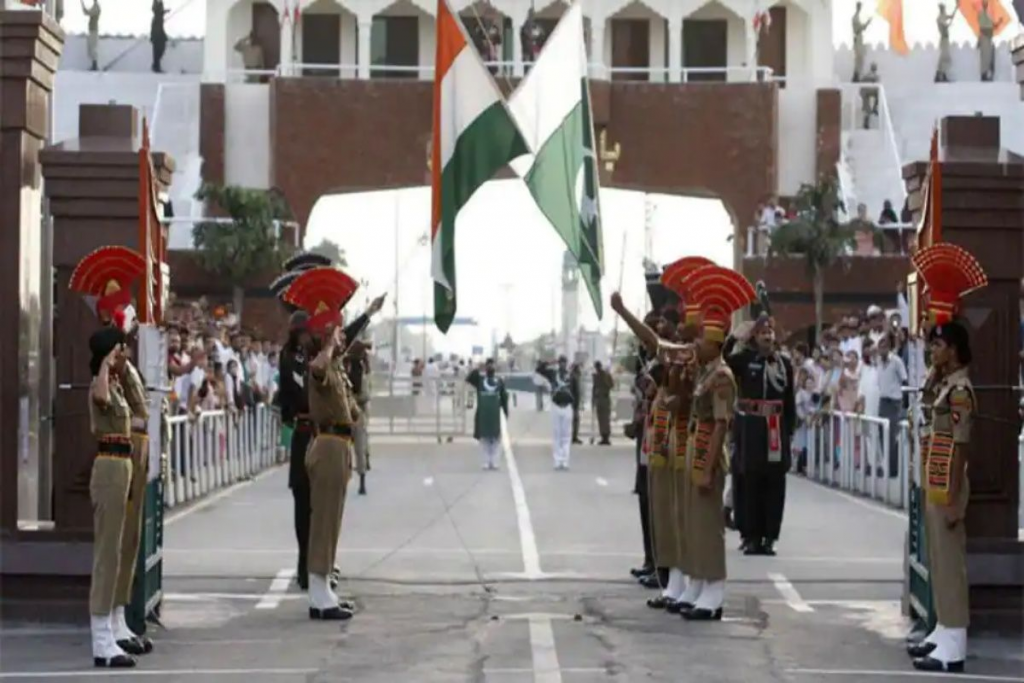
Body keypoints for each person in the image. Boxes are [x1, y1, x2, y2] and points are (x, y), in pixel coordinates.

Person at [906, 243, 987, 673]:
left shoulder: (959, 391)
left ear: (953, 349)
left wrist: (954, 495)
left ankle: (954, 641)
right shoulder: (942, 382)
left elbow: (960, 445)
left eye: (937, 345)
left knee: (950, 563)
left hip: (948, 481)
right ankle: (941, 631)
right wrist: (931, 372)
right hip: (935, 477)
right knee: (937, 557)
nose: (931, 351)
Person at [283, 267, 361, 621]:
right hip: (327, 445)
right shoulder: (321, 364)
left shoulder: (338, 367)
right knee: (323, 520)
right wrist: (328, 344)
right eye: (338, 331)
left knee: (332, 520)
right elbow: (316, 369)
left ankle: (324, 585)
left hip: (339, 445)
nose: (343, 338)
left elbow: (353, 411)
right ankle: (317, 593)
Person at [677, 265, 750, 621]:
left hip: (709, 452)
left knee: (709, 526)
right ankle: (699, 581)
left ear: (716, 343)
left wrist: (706, 468)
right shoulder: (704, 371)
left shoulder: (721, 377)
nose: (695, 344)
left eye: (701, 340)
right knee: (695, 524)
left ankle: (714, 589)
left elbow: (721, 423)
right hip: (696, 447)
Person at [726, 313, 795, 557]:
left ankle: (769, 537)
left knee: (775, 484)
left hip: (776, 428)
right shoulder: (744, 360)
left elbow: (790, 402)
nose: (767, 336)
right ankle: (750, 535)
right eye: (762, 332)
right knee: (749, 482)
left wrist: (789, 433)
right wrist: (734, 337)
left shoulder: (784, 364)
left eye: (770, 332)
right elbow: (722, 361)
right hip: (751, 428)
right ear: (755, 337)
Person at [466, 358, 509, 470]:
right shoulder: (480, 380)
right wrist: (478, 368)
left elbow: (504, 397)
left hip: (495, 414)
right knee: (484, 439)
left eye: (492, 365)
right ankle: (486, 461)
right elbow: (469, 378)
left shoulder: (499, 381)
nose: (490, 368)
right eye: (488, 366)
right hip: (483, 413)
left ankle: (494, 461)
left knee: (495, 438)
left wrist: (505, 411)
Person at [877, 332, 908, 477]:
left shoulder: (896, 361)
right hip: (883, 401)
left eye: (884, 346)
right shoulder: (878, 361)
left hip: (894, 401)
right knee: (882, 435)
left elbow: (904, 380)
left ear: (889, 347)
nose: (881, 349)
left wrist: (903, 403)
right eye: (880, 346)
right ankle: (887, 466)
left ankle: (894, 469)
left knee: (892, 437)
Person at [538, 357, 575, 470]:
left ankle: (565, 461)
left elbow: (576, 390)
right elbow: (539, 370)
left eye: (564, 362)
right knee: (557, 435)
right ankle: (557, 460)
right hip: (556, 406)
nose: (563, 364)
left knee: (566, 436)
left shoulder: (570, 375)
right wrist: (548, 362)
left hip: (567, 406)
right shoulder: (553, 374)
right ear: (558, 363)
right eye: (561, 362)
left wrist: (576, 406)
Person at [592, 361, 614, 445]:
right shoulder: (596, 376)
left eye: (598, 367)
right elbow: (594, 388)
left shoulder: (606, 375)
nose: (597, 369)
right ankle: (603, 436)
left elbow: (611, 385)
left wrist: (604, 378)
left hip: (605, 398)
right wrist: (593, 400)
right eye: (596, 367)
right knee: (600, 419)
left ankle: (606, 437)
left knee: (606, 418)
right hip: (599, 399)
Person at [851, 1, 871, 82]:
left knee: (860, 58)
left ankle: (858, 75)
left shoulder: (857, 17)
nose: (860, 8)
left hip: (859, 38)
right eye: (859, 7)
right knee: (858, 58)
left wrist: (867, 23)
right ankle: (856, 76)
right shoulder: (855, 18)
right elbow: (860, 28)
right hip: (858, 38)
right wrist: (867, 23)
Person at [150, 0, 169, 73]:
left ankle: (156, 66)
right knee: (157, 50)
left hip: (159, 31)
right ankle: (156, 66)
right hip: (156, 31)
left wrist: (165, 11)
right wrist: (164, 12)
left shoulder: (159, 4)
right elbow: (156, 11)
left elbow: (159, 12)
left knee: (160, 49)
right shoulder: (156, 4)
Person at [82, 0, 101, 71]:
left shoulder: (96, 7)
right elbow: (86, 12)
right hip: (92, 30)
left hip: (94, 30)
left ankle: (95, 65)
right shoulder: (95, 7)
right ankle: (93, 65)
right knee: (91, 48)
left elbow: (87, 12)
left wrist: (82, 4)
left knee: (93, 48)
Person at [570, 362, 583, 445]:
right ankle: (574, 437)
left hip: (574, 403)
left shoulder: (573, 377)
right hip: (574, 403)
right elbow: (575, 391)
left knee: (575, 421)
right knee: (575, 420)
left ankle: (574, 436)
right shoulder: (574, 378)